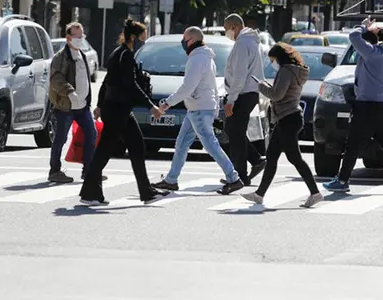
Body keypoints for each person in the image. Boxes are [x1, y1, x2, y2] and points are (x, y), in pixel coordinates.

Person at [323, 17, 383, 195]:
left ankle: (342, 180)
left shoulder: (372, 54)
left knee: (353, 144)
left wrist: (363, 26)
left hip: (367, 106)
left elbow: (354, 37)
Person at [79, 19, 169, 206]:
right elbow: (131, 85)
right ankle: (90, 193)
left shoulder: (117, 53)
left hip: (116, 109)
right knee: (106, 151)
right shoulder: (125, 56)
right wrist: (150, 105)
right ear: (133, 37)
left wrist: (100, 105)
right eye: (142, 38)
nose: (142, 43)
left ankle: (145, 192)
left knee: (135, 147)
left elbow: (106, 83)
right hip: (118, 110)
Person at [151, 27, 244, 195]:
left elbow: (187, 87)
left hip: (199, 109)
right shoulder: (206, 58)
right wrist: (215, 108)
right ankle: (171, 180)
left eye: (185, 39)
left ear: (192, 40)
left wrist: (166, 103)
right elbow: (212, 86)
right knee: (182, 143)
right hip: (198, 108)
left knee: (210, 145)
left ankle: (233, 178)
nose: (183, 43)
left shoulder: (197, 59)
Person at [242, 43, 323, 208]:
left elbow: (277, 95)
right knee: (272, 157)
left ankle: (315, 193)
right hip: (287, 117)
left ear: (279, 58)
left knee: (295, 158)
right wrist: (268, 87)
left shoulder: (286, 71)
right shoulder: (295, 70)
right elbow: (282, 92)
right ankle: (259, 194)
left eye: (273, 60)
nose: (273, 63)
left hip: (288, 118)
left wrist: (261, 86)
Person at [47, 21, 104, 183]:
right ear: (68, 38)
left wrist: (88, 102)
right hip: (66, 107)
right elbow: (55, 79)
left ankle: (88, 170)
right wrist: (69, 92)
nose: (80, 39)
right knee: (60, 138)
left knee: (91, 134)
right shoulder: (61, 57)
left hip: (82, 107)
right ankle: (54, 171)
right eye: (77, 36)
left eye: (82, 36)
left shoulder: (82, 55)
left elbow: (86, 80)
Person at [222, 13, 267, 186]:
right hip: (248, 92)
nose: (226, 33)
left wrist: (231, 100)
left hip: (243, 93)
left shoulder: (242, 44)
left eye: (226, 29)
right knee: (233, 129)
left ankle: (241, 174)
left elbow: (240, 74)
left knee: (235, 132)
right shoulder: (250, 41)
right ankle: (255, 161)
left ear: (234, 26)